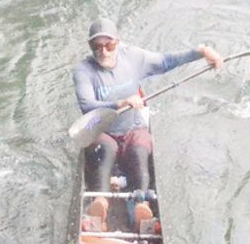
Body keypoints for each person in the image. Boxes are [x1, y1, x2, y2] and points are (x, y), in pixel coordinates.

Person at [73, 18, 224, 199]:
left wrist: (202, 52)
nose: (103, 52)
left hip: (132, 129)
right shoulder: (83, 70)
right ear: (90, 46)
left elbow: (166, 62)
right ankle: (100, 201)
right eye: (97, 46)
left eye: (109, 45)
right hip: (102, 131)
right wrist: (120, 103)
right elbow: (87, 105)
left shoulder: (133, 57)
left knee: (139, 149)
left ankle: (142, 204)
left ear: (118, 43)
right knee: (106, 150)